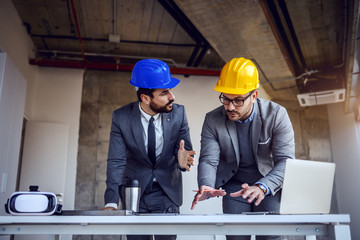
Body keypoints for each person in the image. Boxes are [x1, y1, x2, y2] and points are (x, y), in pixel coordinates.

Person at [191, 57, 295, 240]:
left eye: (238, 100)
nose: (230, 107)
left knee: (271, 237)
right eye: (226, 99)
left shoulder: (277, 115)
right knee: (235, 237)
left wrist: (262, 187)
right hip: (234, 187)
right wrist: (206, 184)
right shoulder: (212, 119)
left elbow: (286, 161)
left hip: (268, 185)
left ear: (253, 96)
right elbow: (209, 159)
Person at [103, 59, 196, 240]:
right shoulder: (121, 118)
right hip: (134, 192)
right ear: (145, 98)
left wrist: (183, 164)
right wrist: (111, 201)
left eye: (170, 90)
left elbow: (185, 153)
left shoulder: (179, 114)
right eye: (164, 92)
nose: (172, 97)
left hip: (167, 191)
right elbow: (116, 161)